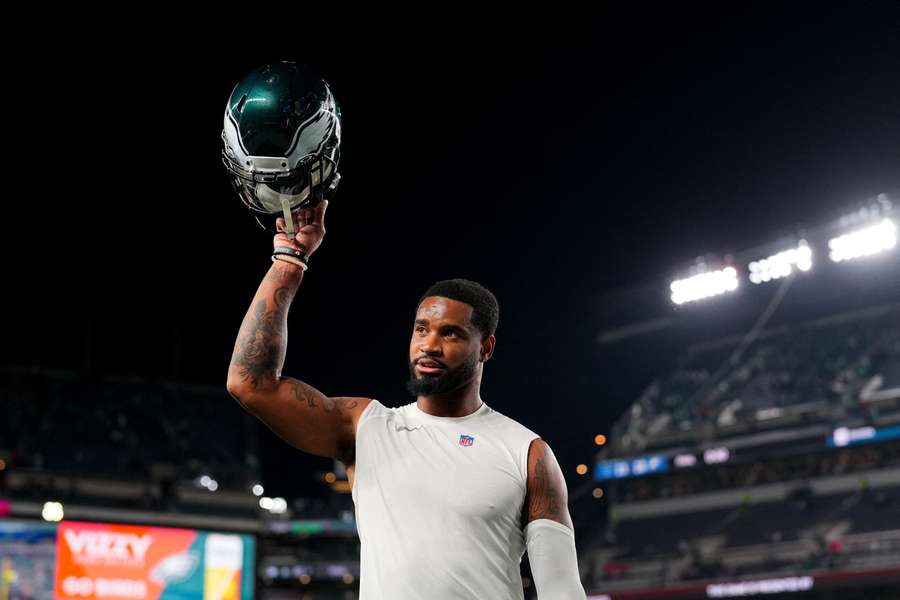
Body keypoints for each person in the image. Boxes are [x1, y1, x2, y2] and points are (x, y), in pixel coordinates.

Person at [226, 201, 585, 599]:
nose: (428, 345)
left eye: (450, 334)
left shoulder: (527, 453)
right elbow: (249, 383)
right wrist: (290, 260)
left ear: (486, 348)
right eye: (421, 329)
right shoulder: (365, 426)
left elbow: (562, 591)